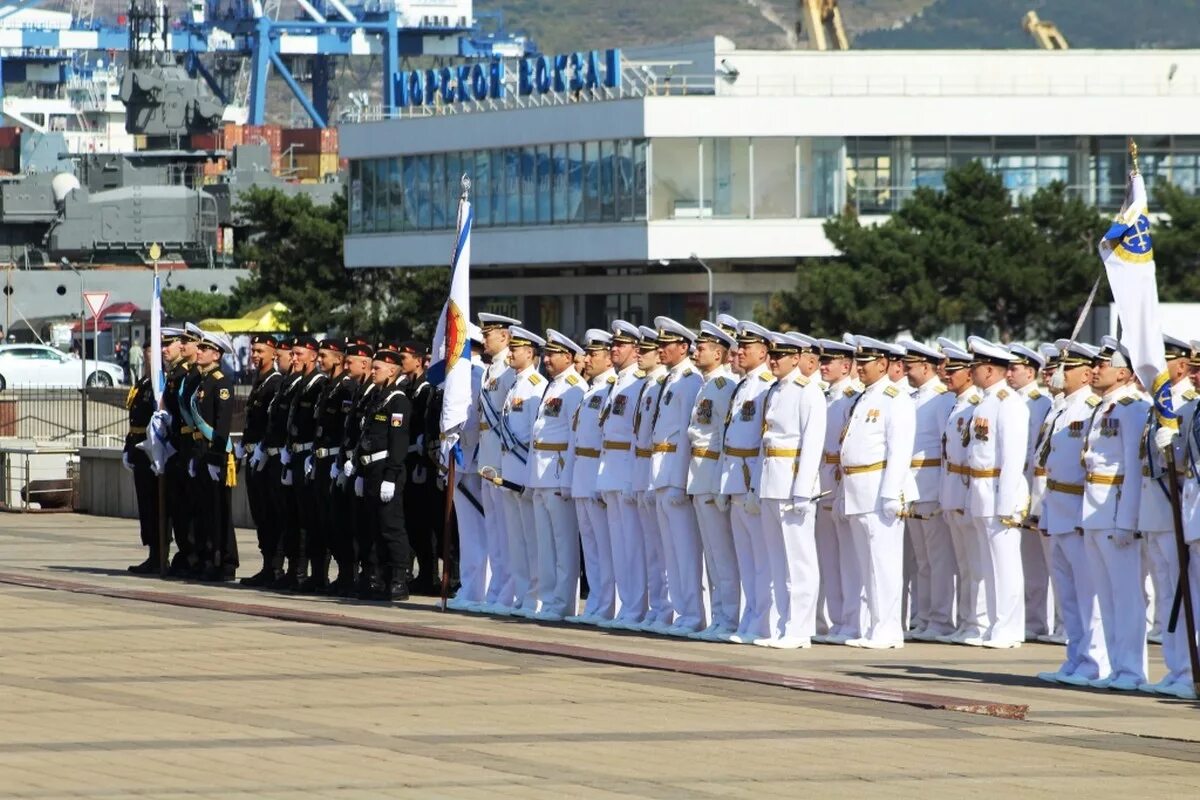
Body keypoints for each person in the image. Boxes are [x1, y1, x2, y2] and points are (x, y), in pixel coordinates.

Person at [1036, 340, 1108, 684]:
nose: (1058, 374)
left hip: (1078, 508)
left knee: (1087, 591)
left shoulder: (1091, 407)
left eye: (1067, 368)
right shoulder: (1062, 407)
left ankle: (1095, 662)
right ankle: (1075, 657)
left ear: (1084, 373)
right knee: (1067, 592)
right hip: (1057, 505)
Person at [1080, 336, 1149, 692]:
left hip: (1116, 508)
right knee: (1106, 597)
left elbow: (1135, 469)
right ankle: (1115, 666)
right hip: (1094, 508)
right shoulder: (1104, 406)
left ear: (1123, 374)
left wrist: (1128, 519)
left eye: (1103, 365)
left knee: (1126, 596)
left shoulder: (1133, 408)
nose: (1095, 370)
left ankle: (1132, 670)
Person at [838, 335, 915, 649]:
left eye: (865, 363)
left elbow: (899, 450)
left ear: (883, 364)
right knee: (866, 564)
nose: (859, 369)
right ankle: (874, 628)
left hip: (877, 489)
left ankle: (887, 630)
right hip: (857, 489)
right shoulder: (864, 397)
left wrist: (890, 492)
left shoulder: (895, 398)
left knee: (883, 565)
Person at [756, 331, 825, 648]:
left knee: (799, 561)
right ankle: (783, 625)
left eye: (779, 356)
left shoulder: (807, 391)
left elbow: (811, 444)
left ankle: (800, 629)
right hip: (771, 480)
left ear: (796, 359)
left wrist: (802, 490)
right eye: (771, 355)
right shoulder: (776, 390)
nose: (773, 360)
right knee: (777, 561)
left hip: (792, 482)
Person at [1140, 335, 1199, 698]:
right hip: (1190, 512)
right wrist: (1171, 453)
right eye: (1194, 369)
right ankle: (1182, 669)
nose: (1194, 376)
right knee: (1183, 595)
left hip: (1193, 510)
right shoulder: (1193, 409)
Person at [965, 336, 1031, 649]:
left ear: (989, 370)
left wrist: (1006, 502)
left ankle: (1009, 628)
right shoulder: (986, 400)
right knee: (989, 565)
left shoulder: (1009, 402)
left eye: (974, 366)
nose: (970, 371)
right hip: (981, 489)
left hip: (998, 491)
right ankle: (995, 625)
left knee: (1004, 564)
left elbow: (1013, 456)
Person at [897, 339, 957, 641]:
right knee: (921, 559)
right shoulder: (911, 397)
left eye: (911, 366)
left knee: (938, 559)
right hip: (913, 485)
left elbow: (948, 449)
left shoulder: (941, 399)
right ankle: (923, 617)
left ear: (926, 366)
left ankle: (941, 618)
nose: (906, 370)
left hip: (931, 483)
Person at [649, 317, 705, 635]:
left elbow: (687, 435)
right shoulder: (671, 380)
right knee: (670, 551)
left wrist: (681, 480)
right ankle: (682, 610)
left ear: (683, 347)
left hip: (674, 471)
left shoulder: (689, 381)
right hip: (661, 470)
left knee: (685, 551)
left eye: (665, 345)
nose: (660, 350)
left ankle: (693, 613)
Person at [721, 321, 776, 644]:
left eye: (746, 348)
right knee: (745, 557)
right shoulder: (743, 385)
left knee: (762, 559)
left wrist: (755, 483)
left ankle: (763, 621)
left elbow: (762, 442)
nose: (739, 352)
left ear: (764, 352)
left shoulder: (766, 385)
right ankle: (750, 617)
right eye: (738, 347)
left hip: (751, 477)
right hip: (735, 476)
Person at [686, 321, 739, 642]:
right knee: (712, 556)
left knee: (722, 555)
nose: (696, 351)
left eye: (702, 348)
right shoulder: (706, 385)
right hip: (699, 474)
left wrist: (721, 483)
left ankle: (729, 617)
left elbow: (722, 438)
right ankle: (719, 616)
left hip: (711, 475)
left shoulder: (722, 387)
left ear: (718, 354)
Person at [527, 329, 586, 620]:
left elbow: (575, 438)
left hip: (558, 473)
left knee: (563, 545)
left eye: (552, 355)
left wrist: (567, 479)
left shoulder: (574, 388)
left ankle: (563, 603)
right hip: (541, 474)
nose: (546, 359)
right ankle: (548, 600)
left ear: (568, 357)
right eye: (546, 354)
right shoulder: (553, 386)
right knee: (545, 545)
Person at [595, 320, 649, 627]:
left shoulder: (638, 383)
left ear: (635, 350)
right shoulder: (619, 382)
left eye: (621, 345)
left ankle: (635, 608)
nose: (614, 349)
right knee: (619, 547)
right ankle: (626, 607)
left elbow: (636, 434)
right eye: (613, 345)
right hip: (611, 470)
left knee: (633, 547)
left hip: (627, 470)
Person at [352, 343, 415, 601]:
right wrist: (358, 469)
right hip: (369, 469)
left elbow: (398, 442)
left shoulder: (398, 400)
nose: (373, 371)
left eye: (377, 368)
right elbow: (365, 434)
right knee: (373, 527)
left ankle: (398, 580)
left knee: (391, 527)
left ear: (391, 371)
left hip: (386, 469)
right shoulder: (376, 397)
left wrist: (391, 476)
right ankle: (378, 578)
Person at [565, 329, 618, 625]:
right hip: (583, 473)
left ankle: (609, 603)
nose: (587, 359)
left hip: (598, 472)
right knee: (592, 546)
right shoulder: (592, 388)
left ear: (608, 358)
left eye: (594, 354)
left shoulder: (610, 387)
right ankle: (597, 601)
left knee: (605, 547)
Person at [935, 340, 985, 645]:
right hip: (953, 487)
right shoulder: (957, 405)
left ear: (970, 373)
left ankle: (977, 622)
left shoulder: (975, 404)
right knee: (964, 564)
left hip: (968, 488)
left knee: (977, 564)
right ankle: (966, 620)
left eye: (954, 370)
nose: (947, 375)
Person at [814, 337, 862, 643]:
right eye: (822, 360)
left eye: (829, 361)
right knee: (827, 557)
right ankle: (835, 620)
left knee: (849, 558)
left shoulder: (852, 398)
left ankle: (851, 619)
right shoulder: (824, 396)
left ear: (846, 366)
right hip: (821, 479)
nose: (823, 366)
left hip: (839, 479)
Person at [496, 326, 547, 616]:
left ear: (530, 353)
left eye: (516, 349)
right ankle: (522, 593)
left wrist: (528, 473)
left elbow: (533, 435)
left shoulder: (535, 385)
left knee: (532, 539)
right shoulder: (515, 384)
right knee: (517, 540)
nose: (511, 353)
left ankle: (535, 597)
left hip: (524, 471)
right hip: (510, 470)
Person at [1009, 343, 1056, 641]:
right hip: (1023, 488)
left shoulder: (1040, 402)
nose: (1010, 374)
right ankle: (1033, 621)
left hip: (1039, 489)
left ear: (1030, 371)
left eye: (1015, 369)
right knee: (1029, 563)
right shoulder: (1014, 401)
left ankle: (1053, 623)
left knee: (1049, 563)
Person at [302, 337, 356, 593]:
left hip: (335, 460)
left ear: (338, 358)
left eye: (324, 355)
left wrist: (342, 460)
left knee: (337, 521)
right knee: (318, 520)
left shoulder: (346, 388)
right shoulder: (327, 387)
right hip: (320, 459)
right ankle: (319, 575)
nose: (320, 360)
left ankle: (347, 575)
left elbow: (347, 429)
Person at [475, 313, 521, 613]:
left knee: (508, 530)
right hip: (487, 456)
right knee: (494, 527)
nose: (484, 339)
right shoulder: (491, 368)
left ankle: (510, 589)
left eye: (488, 334)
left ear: (504, 337)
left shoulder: (508, 369)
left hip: (503, 458)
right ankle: (498, 587)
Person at [626, 326, 670, 632]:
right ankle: (659, 609)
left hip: (665, 473)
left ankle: (675, 611)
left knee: (670, 552)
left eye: (647, 349)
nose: (639, 354)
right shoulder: (651, 385)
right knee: (653, 550)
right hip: (645, 470)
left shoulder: (672, 384)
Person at [276, 336, 327, 590]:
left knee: (311, 520)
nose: (293, 358)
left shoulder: (319, 384)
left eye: (298, 354)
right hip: (295, 455)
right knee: (293, 517)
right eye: (292, 354)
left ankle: (312, 573)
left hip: (309, 456)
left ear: (312, 356)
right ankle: (296, 569)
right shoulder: (299, 384)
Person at [189, 330, 238, 581]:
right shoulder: (203, 381)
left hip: (215, 454)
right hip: (201, 452)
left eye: (203, 349)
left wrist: (217, 457)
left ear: (216, 354)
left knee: (221, 510)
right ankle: (210, 557)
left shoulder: (221, 382)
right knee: (206, 510)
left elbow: (222, 425)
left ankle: (227, 562)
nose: (198, 352)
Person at [445, 325, 488, 611]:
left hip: (474, 459)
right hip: (463, 460)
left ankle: (481, 588)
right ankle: (472, 586)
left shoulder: (477, 374)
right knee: (468, 531)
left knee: (482, 531)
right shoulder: (458, 374)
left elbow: (473, 418)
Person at [239, 335, 283, 586]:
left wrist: (263, 448)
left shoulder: (275, 383)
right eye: (253, 351)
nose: (255, 355)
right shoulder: (260, 382)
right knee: (260, 514)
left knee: (270, 513)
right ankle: (268, 564)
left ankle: (275, 566)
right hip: (254, 455)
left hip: (266, 458)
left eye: (260, 351)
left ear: (274, 353)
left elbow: (272, 423)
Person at [337, 339, 377, 597]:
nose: (345, 365)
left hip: (367, 466)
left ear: (365, 363)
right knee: (353, 524)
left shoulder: (374, 392)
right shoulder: (357, 390)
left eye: (349, 362)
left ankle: (372, 575)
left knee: (368, 524)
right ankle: (358, 574)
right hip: (353, 464)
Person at [397, 342, 438, 594]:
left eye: (404, 357)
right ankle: (421, 572)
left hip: (420, 461)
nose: (401, 362)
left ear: (418, 360)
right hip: (408, 460)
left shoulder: (425, 389)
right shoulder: (407, 387)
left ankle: (431, 574)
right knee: (411, 521)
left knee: (425, 521)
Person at [123, 340, 159, 573]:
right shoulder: (143, 383)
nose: (148, 356)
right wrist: (128, 447)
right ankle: (152, 552)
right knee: (145, 505)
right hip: (138, 448)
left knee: (155, 505)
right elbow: (134, 420)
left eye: (152, 351)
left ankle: (159, 554)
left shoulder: (158, 385)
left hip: (152, 450)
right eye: (146, 351)